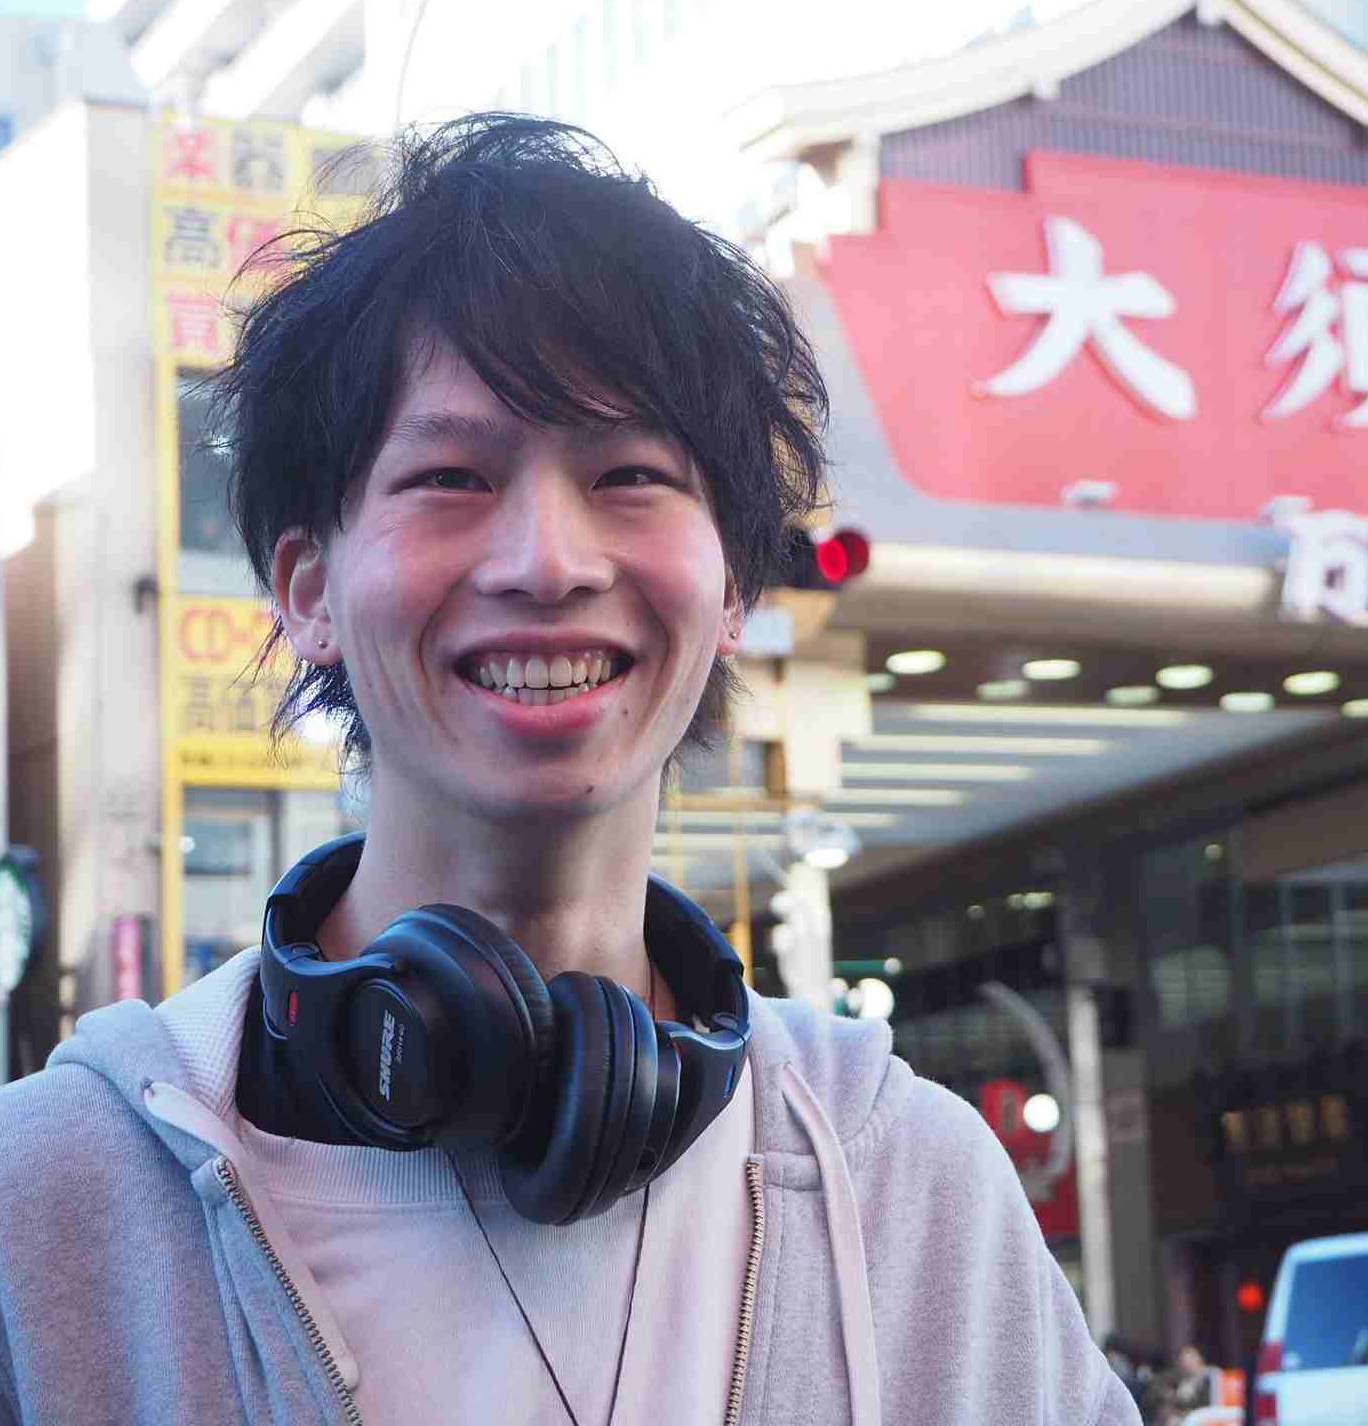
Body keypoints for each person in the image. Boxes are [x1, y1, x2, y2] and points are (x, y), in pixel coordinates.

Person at [0, 115, 1140, 1425]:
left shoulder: (909, 1180)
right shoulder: (51, 1199)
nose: (547, 561)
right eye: (450, 475)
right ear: (308, 589)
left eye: (630, 473)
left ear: (731, 588)